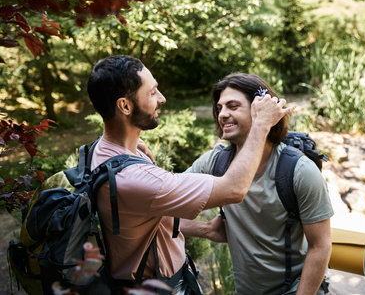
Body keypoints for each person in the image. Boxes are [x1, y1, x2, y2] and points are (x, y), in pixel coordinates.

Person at [86, 55, 292, 293]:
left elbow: (153, 217)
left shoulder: (101, 152)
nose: (162, 98)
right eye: (152, 93)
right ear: (125, 106)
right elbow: (234, 188)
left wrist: (205, 230)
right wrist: (261, 124)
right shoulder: (136, 179)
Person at [181, 73, 334, 295]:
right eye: (220, 107)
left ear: (260, 111)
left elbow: (320, 246)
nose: (223, 114)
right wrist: (205, 229)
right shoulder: (216, 162)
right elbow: (163, 205)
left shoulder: (298, 171)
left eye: (233, 106)